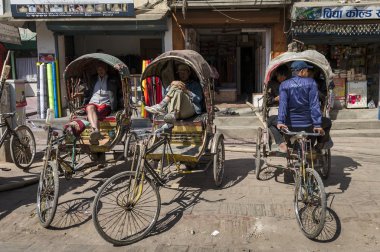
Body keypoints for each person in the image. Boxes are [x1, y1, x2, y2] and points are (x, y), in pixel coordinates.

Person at [277, 61, 332, 152]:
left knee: (270, 121)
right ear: (302, 71)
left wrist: (280, 121)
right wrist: (317, 124)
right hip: (309, 125)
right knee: (328, 122)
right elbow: (314, 105)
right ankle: (319, 144)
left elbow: (283, 105)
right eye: (307, 71)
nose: (307, 73)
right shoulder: (311, 83)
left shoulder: (284, 85)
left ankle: (281, 143)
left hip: (289, 126)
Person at [73, 62, 122, 144]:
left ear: (106, 69)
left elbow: (120, 91)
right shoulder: (93, 79)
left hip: (105, 104)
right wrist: (79, 94)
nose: (100, 71)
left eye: (102, 69)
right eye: (99, 69)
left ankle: (95, 133)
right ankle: (96, 131)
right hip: (93, 102)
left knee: (96, 113)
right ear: (97, 70)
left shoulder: (113, 79)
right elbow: (89, 92)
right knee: (89, 107)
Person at [265, 65, 290, 152]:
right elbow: (267, 101)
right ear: (276, 74)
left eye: (284, 76)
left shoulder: (291, 84)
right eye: (280, 75)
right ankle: (281, 141)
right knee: (272, 118)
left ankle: (282, 140)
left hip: (289, 108)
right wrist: (275, 99)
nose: (282, 78)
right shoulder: (271, 84)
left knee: (269, 123)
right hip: (275, 106)